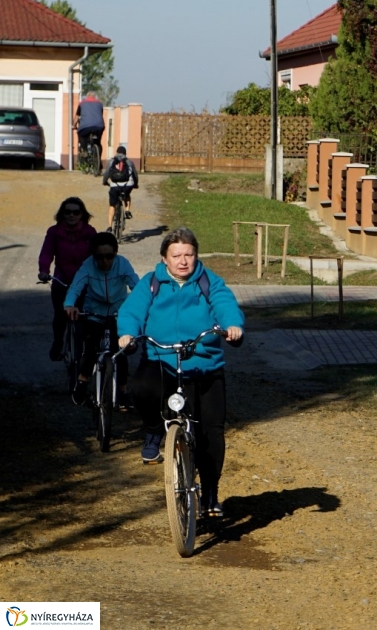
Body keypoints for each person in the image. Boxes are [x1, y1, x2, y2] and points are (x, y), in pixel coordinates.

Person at [118, 227, 244, 518]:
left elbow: (225, 305)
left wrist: (232, 326)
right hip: (160, 360)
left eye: (189, 254)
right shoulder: (151, 283)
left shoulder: (209, 281)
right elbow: (132, 311)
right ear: (165, 258)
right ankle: (152, 431)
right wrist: (127, 334)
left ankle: (211, 493)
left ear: (196, 256)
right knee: (142, 388)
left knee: (211, 432)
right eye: (176, 255)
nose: (183, 261)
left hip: (205, 365)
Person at [64, 232, 140, 406]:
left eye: (109, 256)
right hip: (94, 312)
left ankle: (122, 392)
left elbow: (137, 286)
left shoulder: (123, 265)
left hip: (118, 312)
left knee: (120, 353)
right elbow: (76, 287)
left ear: (116, 253)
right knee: (90, 350)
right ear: (93, 255)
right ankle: (82, 383)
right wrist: (69, 305)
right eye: (100, 257)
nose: (105, 261)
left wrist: (142, 306)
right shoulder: (87, 266)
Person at [38, 197, 97, 361]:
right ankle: (58, 342)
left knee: (85, 317)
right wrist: (44, 270)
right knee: (60, 315)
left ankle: (86, 348)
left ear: (82, 214)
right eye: (67, 212)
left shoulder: (90, 232)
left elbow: (97, 255)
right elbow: (47, 253)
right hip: (61, 280)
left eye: (76, 212)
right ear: (62, 214)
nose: (71, 215)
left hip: (84, 282)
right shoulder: (54, 232)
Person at [102, 145, 139, 231]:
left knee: (112, 205)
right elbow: (135, 175)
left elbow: (107, 173)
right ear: (125, 153)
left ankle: (110, 226)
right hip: (127, 185)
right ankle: (127, 210)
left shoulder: (112, 161)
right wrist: (135, 184)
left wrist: (104, 182)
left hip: (115, 185)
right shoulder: (129, 162)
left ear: (116, 152)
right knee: (127, 195)